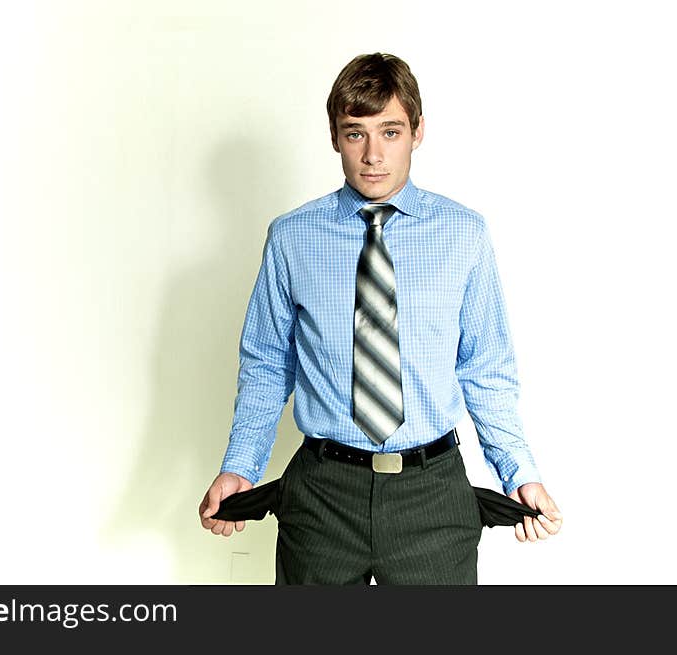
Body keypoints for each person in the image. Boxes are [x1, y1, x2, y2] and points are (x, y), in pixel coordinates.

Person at [198, 53, 562, 584]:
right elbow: (267, 364)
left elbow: (485, 368)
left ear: (417, 131)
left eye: (389, 131)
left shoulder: (464, 235)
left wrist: (519, 472)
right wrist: (240, 467)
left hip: (432, 497)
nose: (372, 155)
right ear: (334, 137)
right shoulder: (292, 238)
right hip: (323, 497)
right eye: (355, 133)